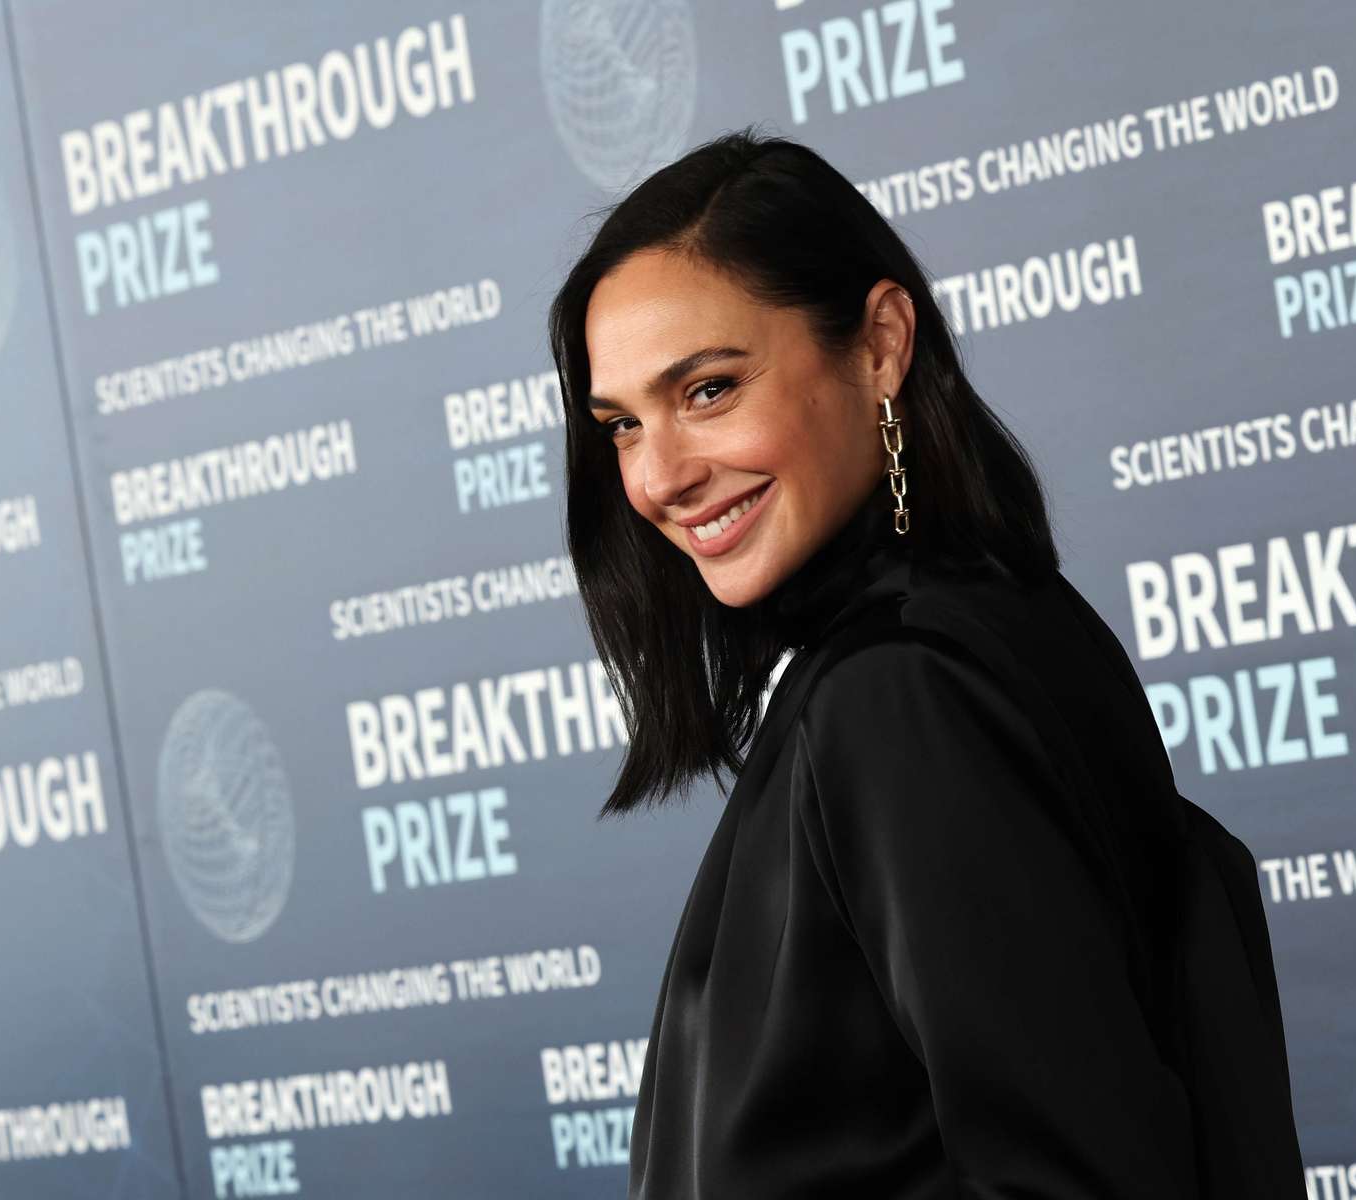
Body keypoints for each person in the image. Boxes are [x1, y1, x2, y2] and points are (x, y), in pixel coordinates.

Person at [548, 125, 1305, 1198]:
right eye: (620, 425)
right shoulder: (989, 626)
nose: (659, 474)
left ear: (880, 344)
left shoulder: (897, 694)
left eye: (708, 389)